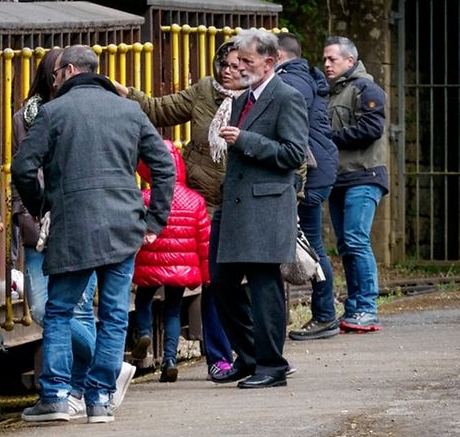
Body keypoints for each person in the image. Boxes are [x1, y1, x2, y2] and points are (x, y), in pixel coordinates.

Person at [12, 44, 174, 423]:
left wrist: (42, 207)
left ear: (68, 70)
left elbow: (23, 168)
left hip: (72, 227)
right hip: (125, 226)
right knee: (115, 314)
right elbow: (164, 166)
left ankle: (55, 396)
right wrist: (154, 221)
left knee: (59, 310)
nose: (54, 80)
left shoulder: (52, 113)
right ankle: (100, 399)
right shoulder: (129, 110)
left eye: (55, 75)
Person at [115, 40, 240, 379]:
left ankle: (245, 350)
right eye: (225, 64)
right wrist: (129, 94)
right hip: (202, 203)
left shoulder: (256, 101)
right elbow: (160, 110)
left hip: (241, 204)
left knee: (238, 282)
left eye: (237, 66)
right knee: (213, 283)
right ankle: (218, 356)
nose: (229, 71)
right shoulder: (202, 92)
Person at [211, 29, 308, 388]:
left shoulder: (287, 97)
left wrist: (246, 140)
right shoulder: (242, 98)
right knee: (221, 282)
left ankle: (271, 365)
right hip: (235, 205)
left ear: (270, 62)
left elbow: (294, 154)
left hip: (266, 204)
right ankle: (249, 356)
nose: (238, 68)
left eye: (247, 62)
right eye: (237, 62)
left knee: (265, 284)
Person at [275, 33, 341, 340]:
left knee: (311, 245)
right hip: (317, 171)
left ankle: (325, 315)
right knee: (311, 243)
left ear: (276, 56)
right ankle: (324, 314)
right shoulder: (300, 77)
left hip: (310, 174)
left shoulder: (294, 82)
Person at [322, 36, 388, 333]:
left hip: (364, 175)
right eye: (324, 59)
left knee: (356, 239)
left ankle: (367, 307)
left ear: (350, 61)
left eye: (332, 59)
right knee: (346, 244)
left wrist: (330, 139)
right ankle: (354, 308)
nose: (326, 64)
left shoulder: (365, 88)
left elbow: (372, 128)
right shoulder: (331, 93)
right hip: (339, 178)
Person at [132, 140, 211, 382]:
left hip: (150, 265)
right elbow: (204, 243)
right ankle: (169, 360)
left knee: (143, 300)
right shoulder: (195, 200)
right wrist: (207, 277)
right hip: (181, 268)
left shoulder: (144, 197)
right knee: (173, 311)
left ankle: (144, 334)